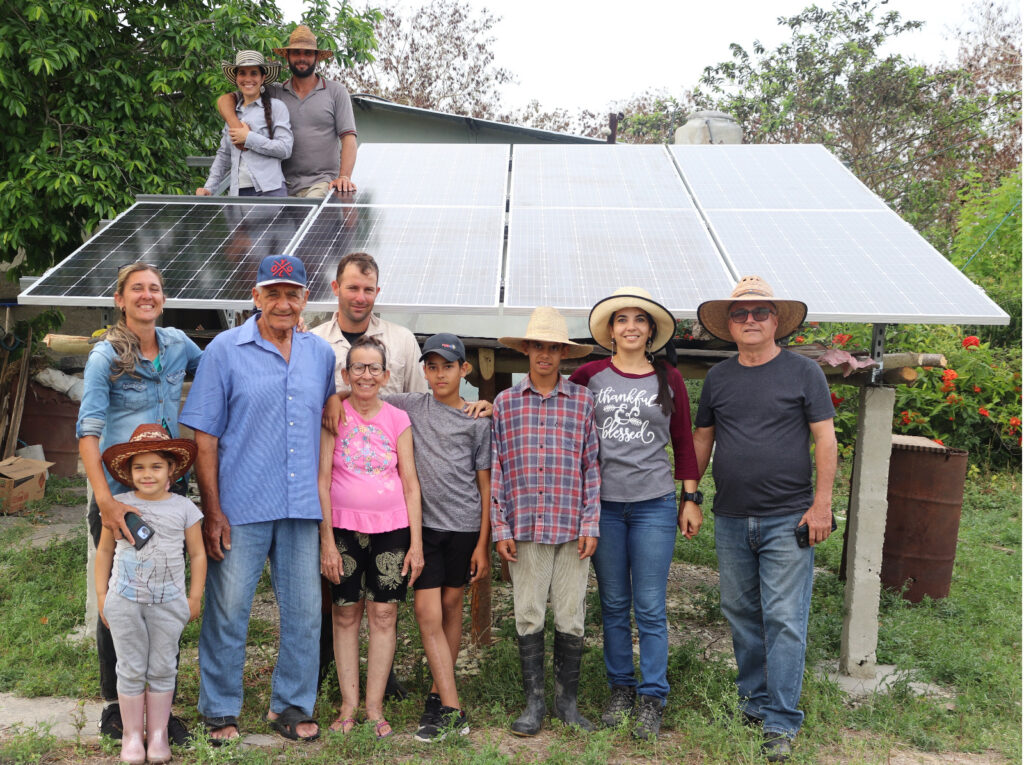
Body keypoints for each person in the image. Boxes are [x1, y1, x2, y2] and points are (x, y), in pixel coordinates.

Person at [180, 254, 335, 744]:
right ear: (256, 297)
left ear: (305, 299)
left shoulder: (321, 355)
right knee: (228, 609)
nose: (283, 303)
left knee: (306, 613)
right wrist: (213, 510)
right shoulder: (225, 350)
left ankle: (290, 706)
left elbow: (331, 410)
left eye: (293, 294)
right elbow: (204, 436)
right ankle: (220, 709)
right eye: (273, 294)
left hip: (300, 506)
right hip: (241, 505)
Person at [692, 275, 837, 763]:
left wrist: (822, 505)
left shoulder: (803, 373)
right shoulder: (719, 378)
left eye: (760, 313)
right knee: (740, 614)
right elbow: (703, 439)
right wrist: (689, 493)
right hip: (731, 517)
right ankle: (754, 703)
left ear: (777, 321)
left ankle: (781, 721)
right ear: (729, 325)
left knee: (784, 619)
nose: (750, 320)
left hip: (788, 518)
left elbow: (825, 440)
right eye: (740, 314)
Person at [76, 263, 203, 744]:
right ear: (120, 299)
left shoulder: (177, 346)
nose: (147, 296)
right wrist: (106, 503)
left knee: (167, 596)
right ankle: (116, 704)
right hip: (121, 496)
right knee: (121, 598)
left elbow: (216, 374)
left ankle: (159, 709)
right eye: (137, 290)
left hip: (169, 492)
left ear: (163, 298)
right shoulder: (105, 356)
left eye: (154, 288)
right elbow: (88, 432)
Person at [569, 287, 701, 740]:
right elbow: (550, 410)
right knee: (613, 604)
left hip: (654, 504)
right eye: (621, 319)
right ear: (610, 331)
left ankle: (652, 696)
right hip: (602, 506)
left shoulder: (669, 378)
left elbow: (683, 441)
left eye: (638, 320)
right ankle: (620, 688)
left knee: (649, 606)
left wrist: (691, 499)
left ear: (650, 331)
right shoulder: (588, 375)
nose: (630, 327)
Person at [491, 307, 600, 736]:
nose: (545, 354)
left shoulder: (582, 402)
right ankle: (534, 703)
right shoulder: (505, 404)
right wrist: (501, 528)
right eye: (538, 345)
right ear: (526, 350)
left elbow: (592, 467)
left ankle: (566, 703)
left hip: (572, 529)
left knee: (571, 614)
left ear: (563, 354)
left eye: (553, 347)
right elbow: (497, 468)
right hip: (525, 528)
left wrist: (590, 523)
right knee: (529, 612)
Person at [318, 335, 424, 739]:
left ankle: (374, 707)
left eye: (373, 368)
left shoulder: (398, 418)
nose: (365, 375)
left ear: (386, 374)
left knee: (384, 614)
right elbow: (322, 480)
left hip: (393, 530)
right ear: (346, 374)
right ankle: (348, 705)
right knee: (346, 614)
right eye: (357, 367)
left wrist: (416, 542)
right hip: (343, 529)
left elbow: (411, 483)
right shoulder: (334, 415)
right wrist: (326, 540)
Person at [94, 425, 206, 765]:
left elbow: (198, 554)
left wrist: (194, 597)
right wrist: (101, 595)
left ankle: (157, 735)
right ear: (127, 472)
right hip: (124, 601)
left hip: (169, 602)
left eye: (156, 466)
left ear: (171, 469)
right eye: (139, 467)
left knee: (161, 667)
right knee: (128, 667)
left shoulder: (185, 508)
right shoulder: (117, 506)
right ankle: (131, 737)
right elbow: (103, 553)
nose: (147, 474)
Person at [216, 25, 357, 197]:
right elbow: (225, 100)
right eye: (296, 53)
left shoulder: (336, 91)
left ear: (316, 57)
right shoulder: (274, 92)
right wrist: (237, 129)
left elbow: (349, 138)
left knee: (312, 216)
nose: (301, 58)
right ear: (287, 57)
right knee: (271, 221)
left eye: (307, 53)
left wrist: (344, 176)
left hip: (322, 182)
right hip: (281, 184)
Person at [312, 251, 428, 395]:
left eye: (368, 290)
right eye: (353, 288)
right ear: (336, 288)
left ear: (377, 292)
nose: (360, 298)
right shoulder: (313, 343)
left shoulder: (403, 341)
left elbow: (421, 403)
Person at [197, 50, 292, 197]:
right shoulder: (232, 113)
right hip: (237, 193)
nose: (248, 79)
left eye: (254, 73)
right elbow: (224, 155)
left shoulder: (277, 107)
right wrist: (209, 187)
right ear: (236, 78)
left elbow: (285, 149)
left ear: (262, 78)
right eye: (242, 73)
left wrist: (249, 138)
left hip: (269, 191)